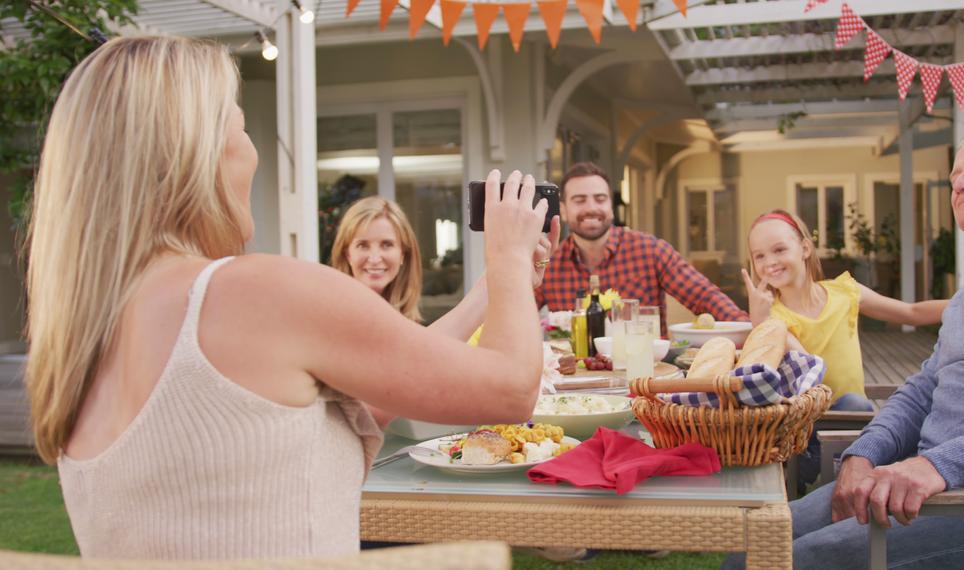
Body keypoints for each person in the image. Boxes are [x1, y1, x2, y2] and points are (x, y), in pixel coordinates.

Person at [24, 36, 550, 560]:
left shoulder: (81, 339)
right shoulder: (251, 292)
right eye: (242, 128)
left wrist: (489, 291)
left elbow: (373, 395)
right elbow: (508, 390)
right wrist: (507, 254)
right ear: (197, 153)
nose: (253, 151)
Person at [724, 124, 964, 569]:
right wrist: (864, 453)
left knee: (781, 563)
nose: (961, 183)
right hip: (939, 487)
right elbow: (922, 388)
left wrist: (937, 465)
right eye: (955, 177)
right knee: (750, 545)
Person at [741, 209, 948, 412]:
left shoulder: (845, 292)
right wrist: (761, 323)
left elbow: (911, 313)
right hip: (803, 426)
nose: (770, 262)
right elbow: (810, 368)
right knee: (855, 404)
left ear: (805, 248)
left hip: (851, 418)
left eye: (779, 250)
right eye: (759, 256)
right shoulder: (773, 318)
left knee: (855, 403)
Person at [534, 161, 748, 334]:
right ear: (563, 209)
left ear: (610, 205)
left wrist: (749, 330)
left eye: (600, 199)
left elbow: (705, 297)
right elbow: (514, 316)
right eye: (579, 200)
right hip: (573, 384)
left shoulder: (650, 250)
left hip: (645, 379)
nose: (591, 208)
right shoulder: (547, 261)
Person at [329, 196, 558, 342]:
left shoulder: (398, 319)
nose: (375, 257)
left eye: (387, 244)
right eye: (362, 245)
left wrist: (510, 272)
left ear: (403, 254)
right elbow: (419, 358)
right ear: (347, 254)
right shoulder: (338, 317)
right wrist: (505, 268)